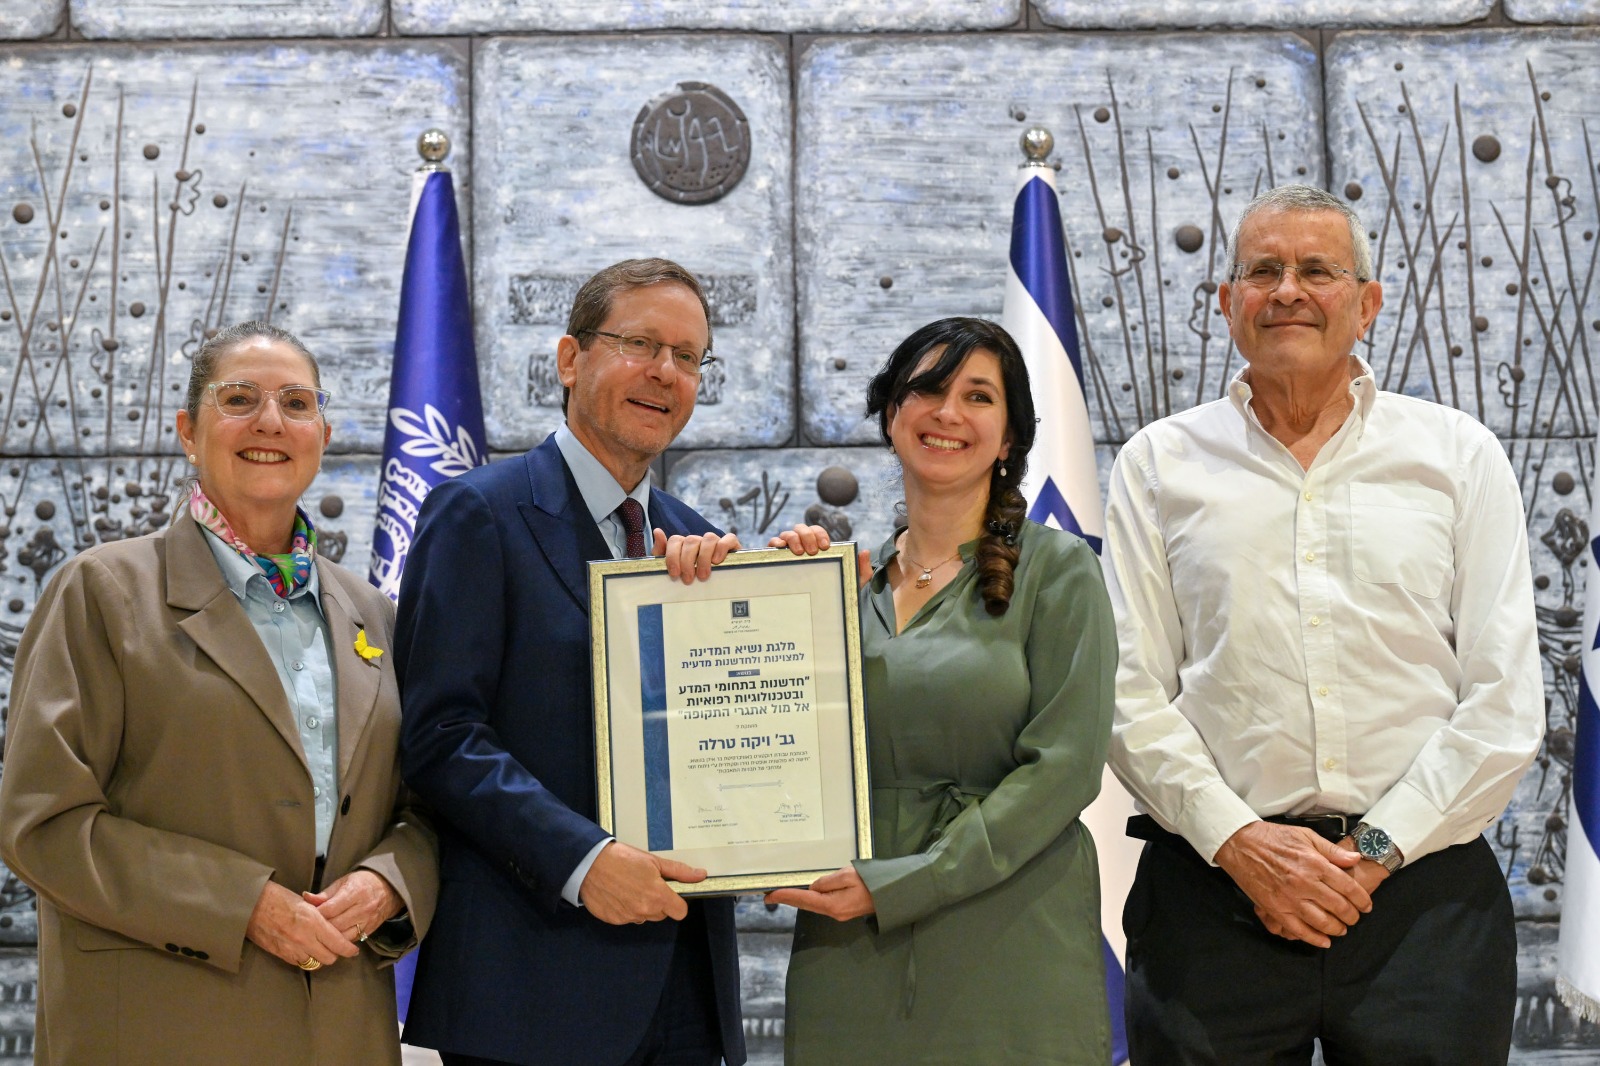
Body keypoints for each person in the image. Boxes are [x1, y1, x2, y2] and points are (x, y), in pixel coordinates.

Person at [1102, 184, 1546, 1063]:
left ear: (1368, 303)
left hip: (1423, 903)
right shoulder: (1159, 463)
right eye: (1261, 270)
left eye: (1318, 270)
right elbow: (1126, 690)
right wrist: (1244, 845)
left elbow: (1503, 701)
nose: (1287, 290)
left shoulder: (1458, 457)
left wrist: (1372, 854)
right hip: (1213, 893)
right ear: (1228, 303)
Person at [396, 257, 827, 1066]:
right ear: (570, 358)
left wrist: (797, 594)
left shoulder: (691, 537)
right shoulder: (479, 514)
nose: (666, 372)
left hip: (687, 985)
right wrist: (584, 861)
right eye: (640, 343)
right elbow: (440, 737)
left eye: (689, 356)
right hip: (533, 987)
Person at [0, 321, 438, 1065]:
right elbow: (43, 821)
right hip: (156, 1027)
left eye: (296, 404)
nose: (270, 421)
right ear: (187, 431)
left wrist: (392, 881)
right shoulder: (102, 592)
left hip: (340, 1030)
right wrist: (242, 905)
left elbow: (426, 807)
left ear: (323, 435)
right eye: (240, 398)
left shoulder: (375, 615)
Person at [772, 316, 1117, 1064]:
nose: (947, 412)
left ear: (1012, 437)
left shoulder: (1059, 571)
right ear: (891, 412)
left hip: (1009, 943)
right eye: (926, 389)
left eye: (978, 396)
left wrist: (904, 884)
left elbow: (1065, 771)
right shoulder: (835, 586)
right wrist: (775, 597)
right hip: (845, 949)